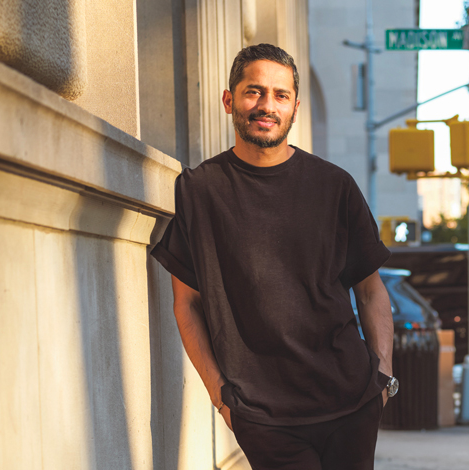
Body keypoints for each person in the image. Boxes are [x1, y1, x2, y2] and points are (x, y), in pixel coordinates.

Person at [150, 43, 397, 469]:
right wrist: (220, 396)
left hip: (350, 401)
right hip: (263, 415)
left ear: (295, 108)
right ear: (229, 100)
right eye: (254, 92)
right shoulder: (199, 191)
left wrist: (382, 381)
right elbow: (187, 303)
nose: (267, 105)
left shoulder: (335, 186)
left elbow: (371, 291)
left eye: (280, 95)